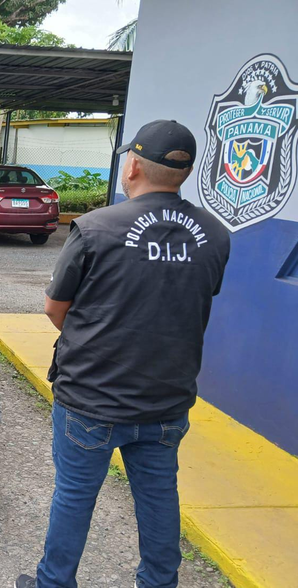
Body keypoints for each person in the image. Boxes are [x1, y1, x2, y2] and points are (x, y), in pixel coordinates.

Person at [15, 120, 230, 588]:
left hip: (92, 398)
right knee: (158, 495)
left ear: (132, 165)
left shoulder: (95, 228)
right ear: (184, 173)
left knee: (74, 496)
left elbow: (56, 309)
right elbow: (190, 301)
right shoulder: (215, 234)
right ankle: (159, 582)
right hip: (166, 400)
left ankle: (54, 583)